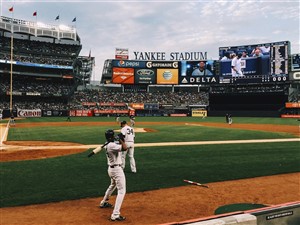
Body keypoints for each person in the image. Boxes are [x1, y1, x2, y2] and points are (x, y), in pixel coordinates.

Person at [87, 129, 128, 221]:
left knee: (113, 185)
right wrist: (121, 139)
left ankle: (103, 202)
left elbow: (116, 144)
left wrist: (117, 138)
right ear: (111, 136)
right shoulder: (111, 145)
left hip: (111, 169)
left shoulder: (107, 144)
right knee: (121, 191)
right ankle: (115, 214)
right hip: (117, 170)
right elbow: (125, 148)